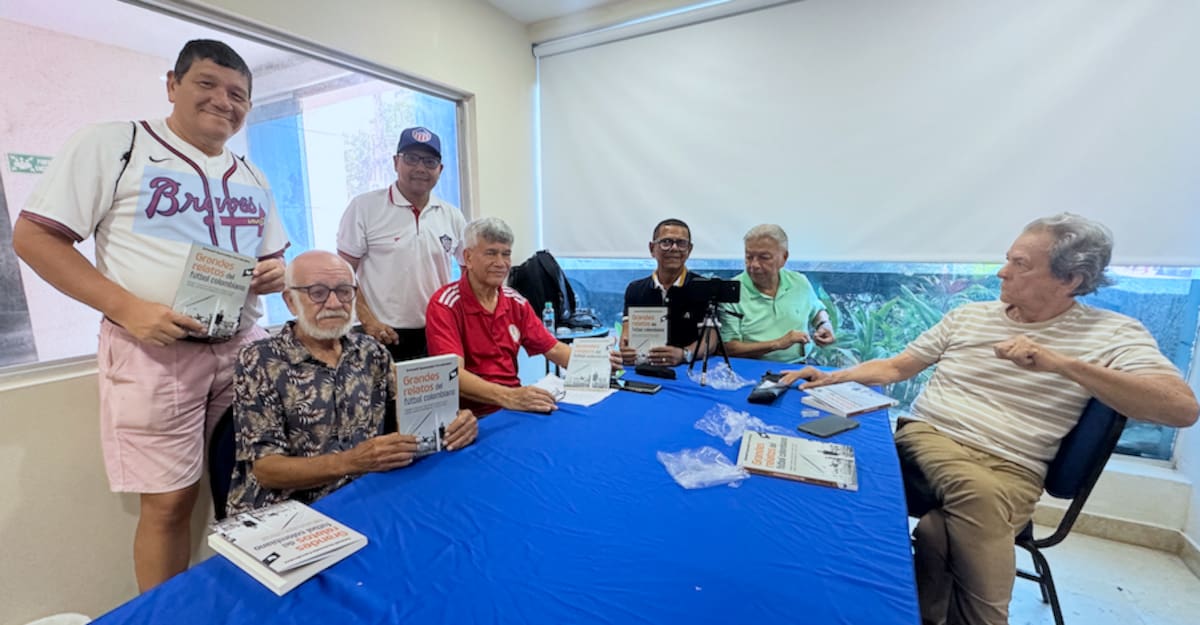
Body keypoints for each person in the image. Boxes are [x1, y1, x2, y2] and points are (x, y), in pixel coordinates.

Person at [780, 213, 1199, 625]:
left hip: (1014, 470)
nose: (1002, 272)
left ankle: (921, 613)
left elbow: (1181, 408)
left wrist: (1063, 364)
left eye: (1020, 264)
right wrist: (833, 376)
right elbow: (896, 367)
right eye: (1007, 259)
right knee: (969, 490)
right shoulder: (969, 316)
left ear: (1070, 279)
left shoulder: (1114, 333)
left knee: (937, 532)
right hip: (929, 440)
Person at [12, 40, 291, 591]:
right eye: (206, 84)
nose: (222, 101)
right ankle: (166, 612)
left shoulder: (251, 175)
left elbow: (273, 255)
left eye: (237, 94)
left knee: (250, 481)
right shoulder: (117, 145)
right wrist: (127, 308)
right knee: (168, 502)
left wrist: (274, 272)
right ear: (172, 84)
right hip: (155, 351)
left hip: (240, 349)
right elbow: (35, 236)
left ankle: (244, 598)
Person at [226, 251, 477, 515]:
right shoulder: (260, 359)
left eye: (345, 292)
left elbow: (417, 413)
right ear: (290, 301)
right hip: (285, 511)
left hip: (364, 494)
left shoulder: (370, 351)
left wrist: (454, 422)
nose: (334, 303)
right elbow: (266, 471)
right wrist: (353, 461)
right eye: (318, 292)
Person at [426, 217, 619, 416]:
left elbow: (553, 348)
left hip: (514, 408)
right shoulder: (445, 305)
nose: (500, 263)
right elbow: (452, 376)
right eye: (491, 253)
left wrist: (599, 364)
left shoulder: (515, 302)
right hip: (469, 418)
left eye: (506, 254)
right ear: (468, 258)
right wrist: (510, 396)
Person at [337, 126, 466, 362]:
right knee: (384, 400)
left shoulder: (451, 215)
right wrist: (368, 320)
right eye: (411, 158)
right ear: (396, 162)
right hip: (381, 336)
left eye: (429, 161)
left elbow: (469, 269)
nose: (420, 168)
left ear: (440, 169)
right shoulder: (364, 208)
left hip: (437, 334)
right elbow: (342, 274)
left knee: (438, 400)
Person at [719, 224, 834, 363]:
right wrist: (778, 344)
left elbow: (816, 310)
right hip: (751, 367)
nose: (754, 265)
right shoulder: (732, 291)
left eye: (764, 257)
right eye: (749, 257)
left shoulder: (799, 282)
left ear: (784, 258)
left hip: (801, 365)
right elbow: (728, 348)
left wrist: (824, 325)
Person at [618, 218, 711, 366]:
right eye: (666, 242)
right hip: (643, 369)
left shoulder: (705, 288)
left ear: (689, 249)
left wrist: (684, 354)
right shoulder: (635, 289)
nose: (674, 248)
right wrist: (626, 350)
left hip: (687, 369)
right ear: (652, 248)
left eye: (681, 243)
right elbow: (626, 334)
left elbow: (710, 340)